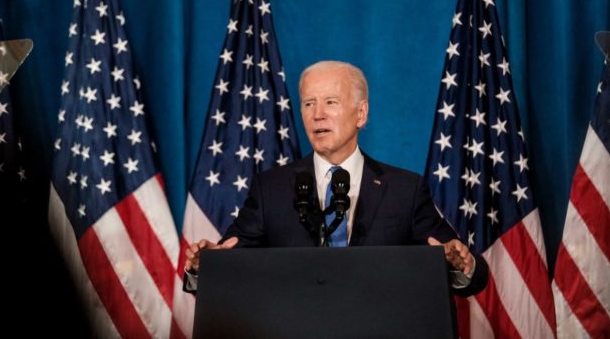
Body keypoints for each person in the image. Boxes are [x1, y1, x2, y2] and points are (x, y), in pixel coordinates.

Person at [184, 60, 488, 297]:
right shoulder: (271, 189)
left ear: (361, 114)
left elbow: (467, 269)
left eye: (330, 102)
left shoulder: (403, 190)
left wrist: (463, 264)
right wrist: (208, 266)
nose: (317, 114)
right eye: (308, 103)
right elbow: (229, 260)